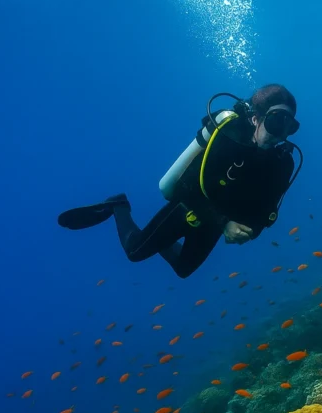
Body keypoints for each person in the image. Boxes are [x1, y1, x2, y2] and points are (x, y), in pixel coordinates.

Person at [58, 84, 301, 278]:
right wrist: (225, 223)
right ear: (256, 118)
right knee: (135, 251)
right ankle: (118, 205)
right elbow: (188, 188)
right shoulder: (229, 137)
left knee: (184, 270)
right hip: (188, 207)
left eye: (289, 127)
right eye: (276, 122)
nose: (280, 134)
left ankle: (158, 238)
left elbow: (267, 213)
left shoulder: (282, 163)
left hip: (217, 222)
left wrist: (248, 231)